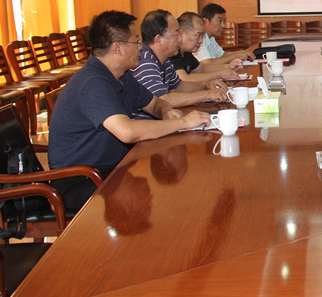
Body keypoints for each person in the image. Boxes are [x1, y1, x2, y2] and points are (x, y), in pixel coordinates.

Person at [48, 10, 211, 184]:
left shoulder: (122, 75)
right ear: (117, 48)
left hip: (113, 169)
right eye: (136, 42)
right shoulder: (93, 82)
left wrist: (165, 111)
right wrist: (183, 122)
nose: (141, 47)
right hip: (82, 179)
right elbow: (127, 132)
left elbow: (154, 103)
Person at [131, 9, 228, 115]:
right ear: (159, 39)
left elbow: (177, 86)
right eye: (176, 34)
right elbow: (163, 99)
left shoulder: (165, 58)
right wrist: (207, 94)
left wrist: (206, 85)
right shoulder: (144, 60)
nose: (180, 39)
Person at [170, 12, 243, 83]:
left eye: (203, 36)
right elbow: (184, 79)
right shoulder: (173, 53)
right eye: (198, 35)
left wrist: (228, 66)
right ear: (181, 33)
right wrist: (219, 74)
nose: (201, 41)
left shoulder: (186, 52)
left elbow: (201, 68)